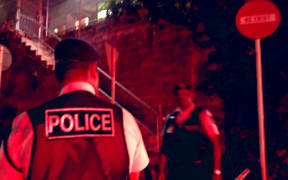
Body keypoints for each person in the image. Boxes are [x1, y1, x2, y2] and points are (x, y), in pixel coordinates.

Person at [0, 38, 149, 180]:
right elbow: (133, 174)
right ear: (92, 70)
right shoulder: (124, 120)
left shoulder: (26, 124)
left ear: (59, 74)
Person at [158, 83, 222, 180]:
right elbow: (165, 146)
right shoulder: (171, 118)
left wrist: (217, 171)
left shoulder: (202, 114)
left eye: (184, 94)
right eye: (179, 94)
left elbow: (216, 143)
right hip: (175, 170)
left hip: (197, 170)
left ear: (192, 95)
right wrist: (161, 172)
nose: (181, 97)